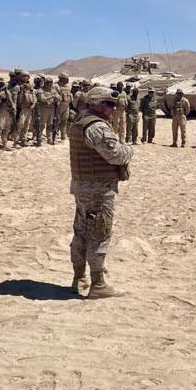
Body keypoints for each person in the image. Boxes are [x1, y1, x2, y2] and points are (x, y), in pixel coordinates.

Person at [68, 86, 134, 299]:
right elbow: (115, 155)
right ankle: (97, 285)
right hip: (97, 188)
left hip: (83, 186)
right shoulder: (96, 126)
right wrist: (129, 150)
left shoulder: (81, 120)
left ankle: (79, 278)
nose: (113, 109)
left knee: (81, 232)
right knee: (99, 232)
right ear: (95, 103)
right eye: (108, 104)